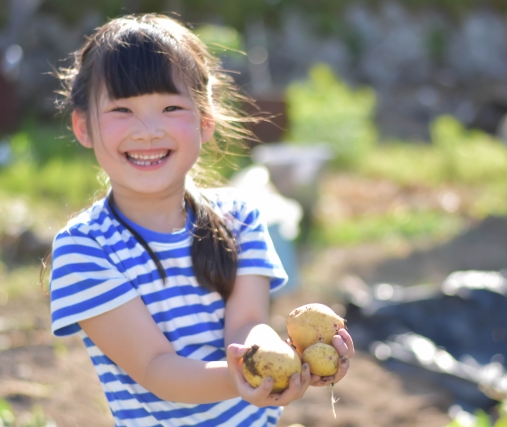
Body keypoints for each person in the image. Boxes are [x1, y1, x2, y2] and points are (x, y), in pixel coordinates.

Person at [46, 13, 354, 427]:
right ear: (83, 127)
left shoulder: (241, 217)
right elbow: (158, 370)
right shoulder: (84, 248)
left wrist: (289, 360)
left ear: (205, 121)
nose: (148, 130)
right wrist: (245, 376)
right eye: (122, 109)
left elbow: (246, 326)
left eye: (170, 106)